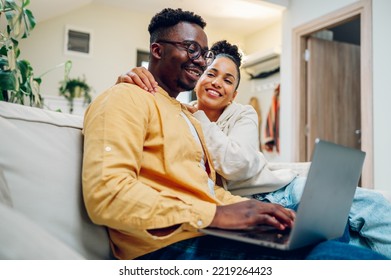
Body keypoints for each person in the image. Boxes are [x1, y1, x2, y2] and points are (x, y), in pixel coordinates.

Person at [83, 8, 387, 260]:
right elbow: (108, 195)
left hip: (206, 227)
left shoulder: (183, 114)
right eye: (192, 49)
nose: (200, 62)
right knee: (332, 255)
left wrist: (252, 210)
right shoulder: (124, 97)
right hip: (166, 245)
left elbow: (206, 188)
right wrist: (215, 215)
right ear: (157, 50)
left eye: (204, 53)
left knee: (329, 232)